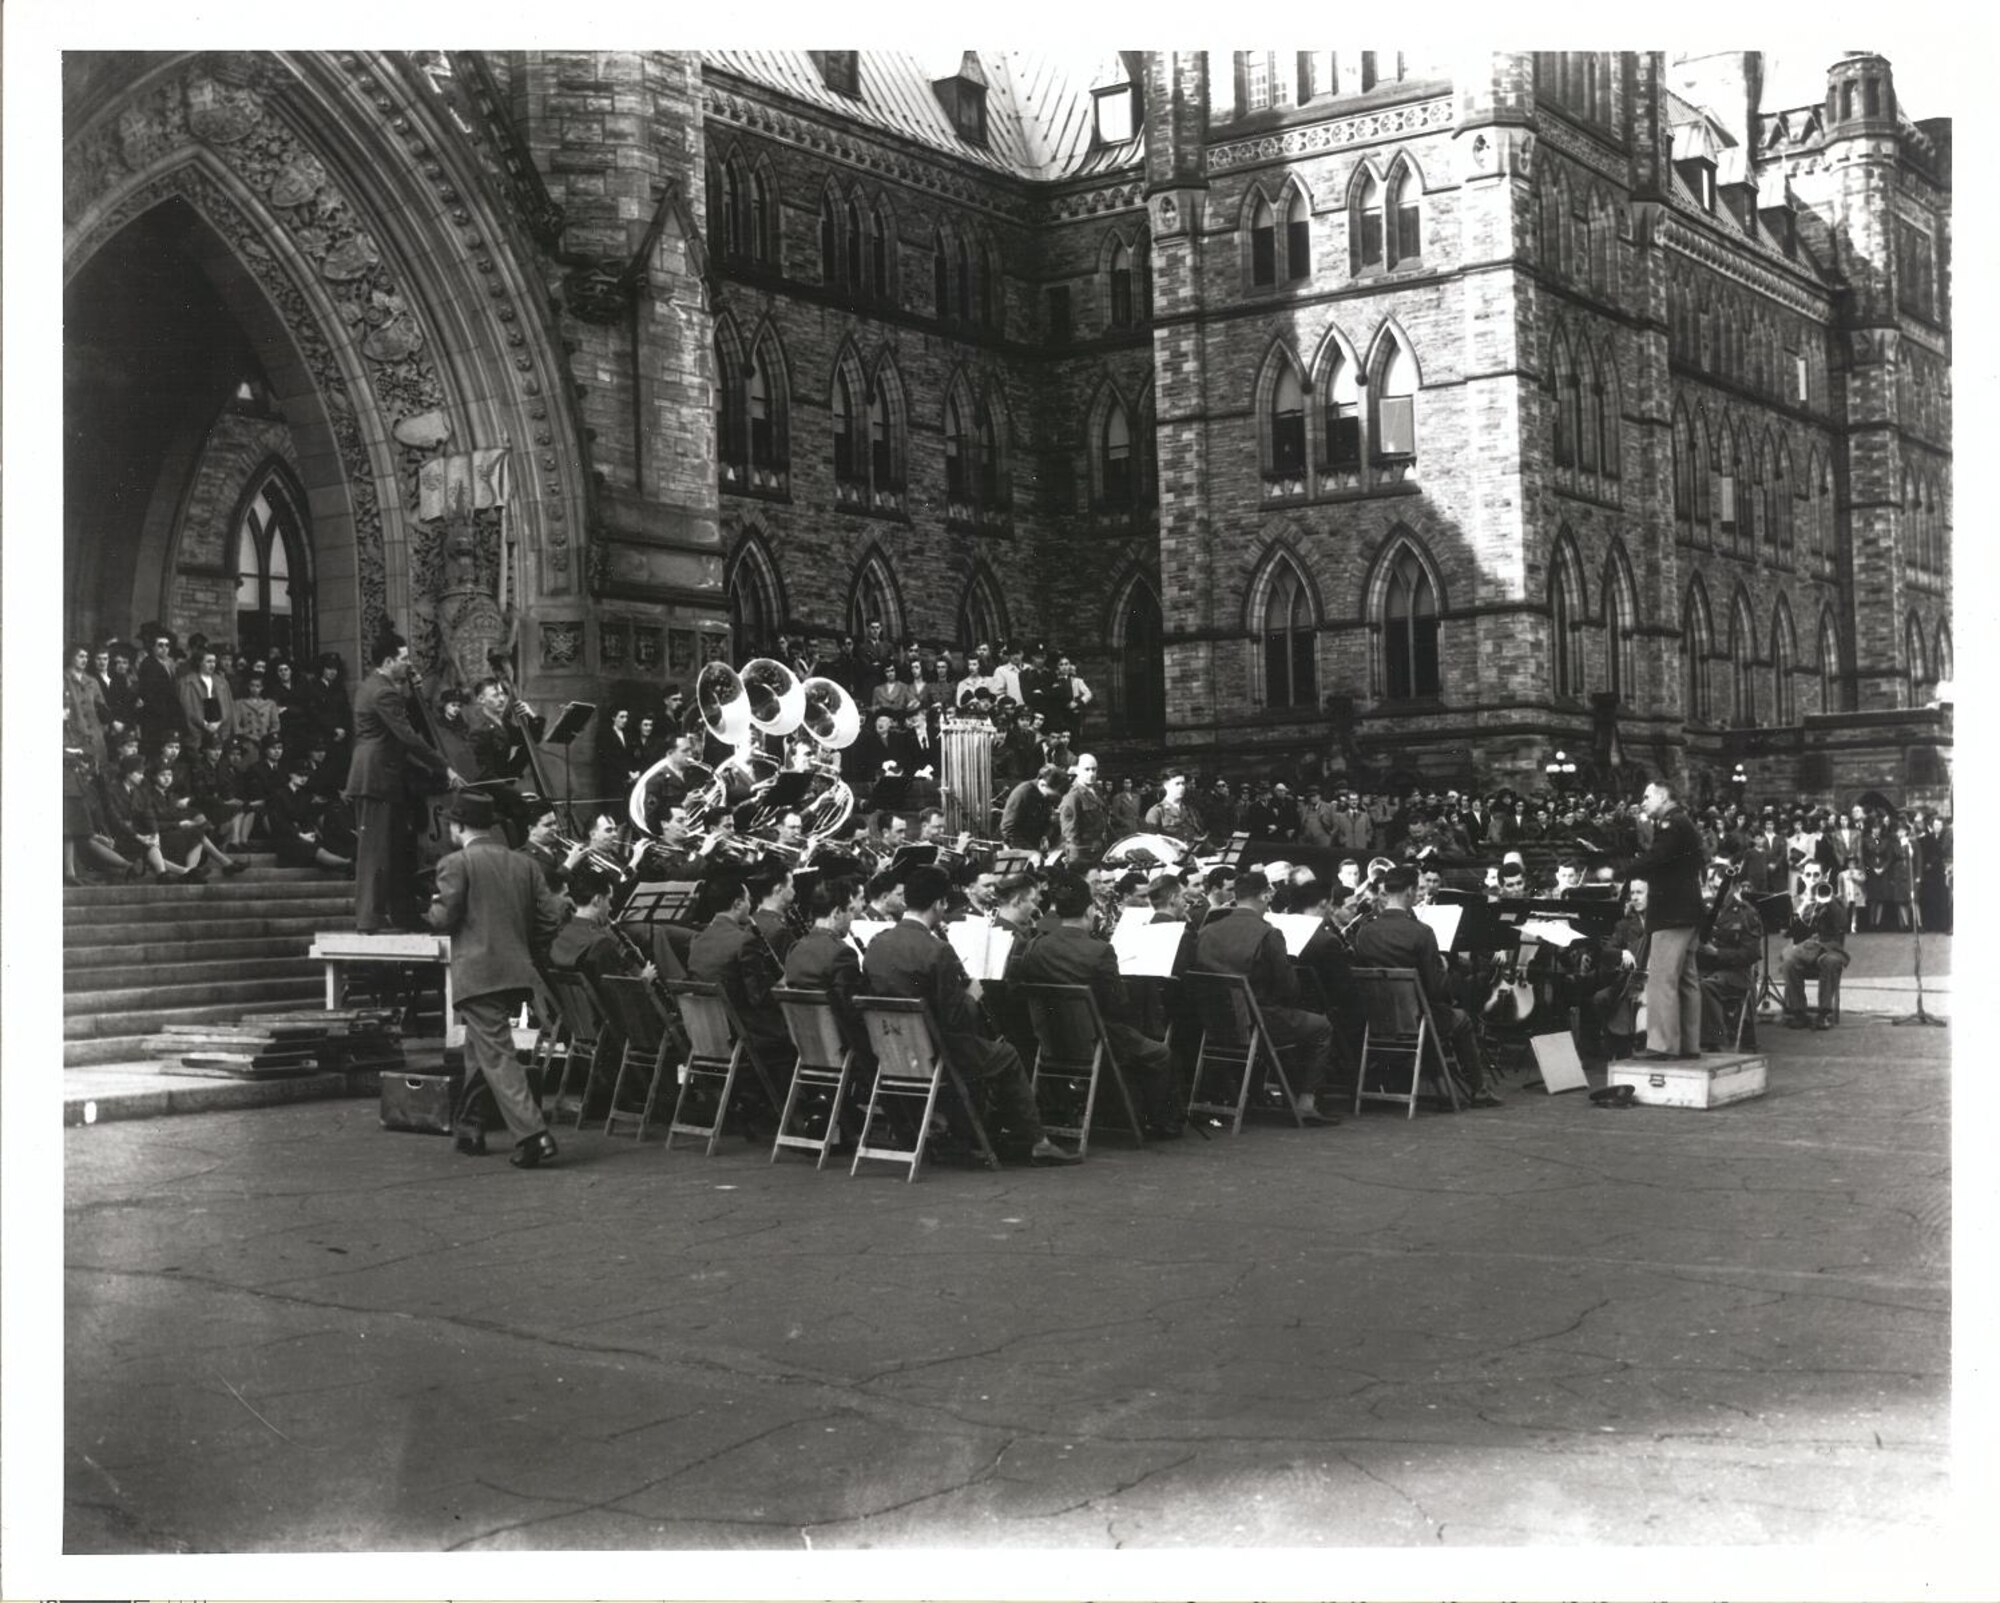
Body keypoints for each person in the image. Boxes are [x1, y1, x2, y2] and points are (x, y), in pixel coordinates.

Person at [862, 865, 1082, 1164]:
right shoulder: (937, 950)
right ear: (940, 904)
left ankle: (971, 1131)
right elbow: (956, 1020)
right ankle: (1034, 1141)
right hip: (937, 1049)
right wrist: (972, 996)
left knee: (987, 1051)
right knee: (1006, 1054)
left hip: (893, 1049)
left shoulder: (877, 945)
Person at [424, 790, 566, 1166]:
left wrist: (428, 908)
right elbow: (550, 920)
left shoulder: (456, 863)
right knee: (480, 1048)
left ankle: (534, 1136)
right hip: (517, 970)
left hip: (478, 972)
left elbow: (444, 918)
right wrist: (520, 945)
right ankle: (469, 1128)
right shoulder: (524, 864)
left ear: (457, 826)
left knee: (497, 1054)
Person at [1007, 873, 1181, 1137]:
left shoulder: (1035, 946)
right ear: (1089, 910)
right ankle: (1157, 1122)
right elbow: (1117, 1004)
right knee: (1160, 1053)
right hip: (1094, 1039)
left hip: (1050, 1041)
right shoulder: (1099, 950)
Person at [1193, 869, 1339, 1124]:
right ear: (1264, 896)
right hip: (1258, 1020)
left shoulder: (1206, 932)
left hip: (1214, 1023)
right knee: (1321, 1027)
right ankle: (1306, 1101)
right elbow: (1289, 989)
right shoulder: (1268, 933)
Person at [1349, 865, 1499, 1106]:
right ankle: (1479, 1089)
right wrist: (1446, 969)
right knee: (1460, 1019)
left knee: (1428, 1011)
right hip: (1416, 1020)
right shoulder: (1421, 933)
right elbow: (1437, 988)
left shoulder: (1365, 932)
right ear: (1409, 891)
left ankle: (1442, 1088)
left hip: (1377, 1021)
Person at [344, 631, 462, 933]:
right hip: (377, 776)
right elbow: (407, 736)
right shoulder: (385, 692)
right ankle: (368, 919)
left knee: (387, 849)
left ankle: (390, 913)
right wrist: (444, 767)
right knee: (375, 851)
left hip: (377, 774)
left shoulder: (372, 686)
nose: (408, 664)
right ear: (388, 661)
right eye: (404, 658)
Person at [687, 873, 798, 1088]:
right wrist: (781, 984)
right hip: (743, 1033)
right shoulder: (744, 941)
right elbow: (758, 998)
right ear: (738, 904)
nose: (750, 904)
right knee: (801, 1032)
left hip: (709, 1033)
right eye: (747, 900)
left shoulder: (697, 940)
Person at [1624, 778, 1705, 1060]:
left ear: (1661, 796)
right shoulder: (1684, 823)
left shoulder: (1671, 824)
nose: (1643, 802)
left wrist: (1622, 869)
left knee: (1661, 979)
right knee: (1686, 979)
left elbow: (1657, 857)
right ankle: (1689, 1044)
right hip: (1688, 911)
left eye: (1647, 796)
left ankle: (1662, 1045)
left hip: (1672, 913)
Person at [1697, 859, 1763, 1051]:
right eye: (1712, 886)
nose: (1715, 891)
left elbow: (1751, 954)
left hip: (1737, 974)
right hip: (1709, 970)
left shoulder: (1746, 913)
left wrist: (1718, 953)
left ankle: (1714, 1041)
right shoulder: (1706, 910)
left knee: (1706, 986)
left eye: (1720, 888)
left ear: (1733, 888)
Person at [1780, 867, 1850, 1031]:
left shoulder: (1834, 899)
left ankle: (1824, 1013)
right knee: (1789, 963)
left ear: (1823, 876)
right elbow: (1786, 932)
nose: (1813, 878)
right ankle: (1798, 1012)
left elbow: (1843, 923)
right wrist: (1805, 904)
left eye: (1816, 874)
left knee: (1831, 962)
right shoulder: (1796, 900)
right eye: (1809, 874)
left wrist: (1830, 900)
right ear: (1803, 877)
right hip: (1803, 949)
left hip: (1829, 948)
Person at [999, 763, 1068, 857]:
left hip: (1038, 848)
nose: (1055, 801)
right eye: (1053, 796)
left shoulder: (1046, 795)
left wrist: (1048, 834)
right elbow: (1008, 829)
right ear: (1043, 784)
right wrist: (1031, 852)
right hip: (1019, 850)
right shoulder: (1023, 793)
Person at [1057, 752, 1110, 867]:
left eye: (1094, 769)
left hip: (1100, 852)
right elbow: (1070, 836)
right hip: (1085, 857)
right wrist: (1076, 863)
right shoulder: (1073, 797)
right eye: (1086, 769)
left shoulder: (1097, 791)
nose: (1091, 774)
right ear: (1077, 771)